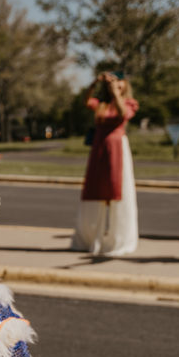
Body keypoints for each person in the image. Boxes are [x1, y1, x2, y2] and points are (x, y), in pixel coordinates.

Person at [70, 71, 139, 256]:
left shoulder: (129, 102)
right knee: (94, 192)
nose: (115, 84)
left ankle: (117, 238)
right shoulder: (101, 104)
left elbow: (124, 114)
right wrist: (94, 82)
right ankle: (90, 237)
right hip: (99, 149)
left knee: (118, 192)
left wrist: (116, 92)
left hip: (117, 149)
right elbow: (86, 101)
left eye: (119, 81)